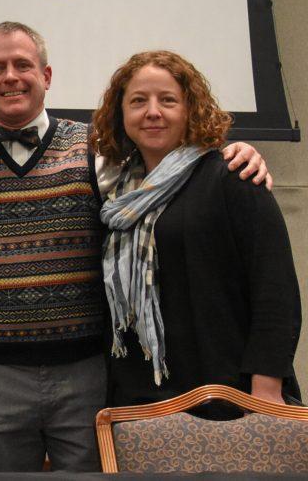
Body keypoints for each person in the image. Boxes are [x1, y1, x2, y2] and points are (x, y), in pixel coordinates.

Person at [0, 23, 272, 472]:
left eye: (23, 65)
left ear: (47, 75)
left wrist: (234, 150)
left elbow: (168, 171)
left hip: (87, 372)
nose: (10, 76)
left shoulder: (98, 151)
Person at [91, 50, 300, 408]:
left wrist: (266, 391)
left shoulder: (232, 177)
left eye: (168, 100)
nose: (152, 112)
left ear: (190, 109)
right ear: (120, 114)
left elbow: (275, 290)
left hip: (229, 393)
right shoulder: (112, 194)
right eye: (138, 101)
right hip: (136, 398)